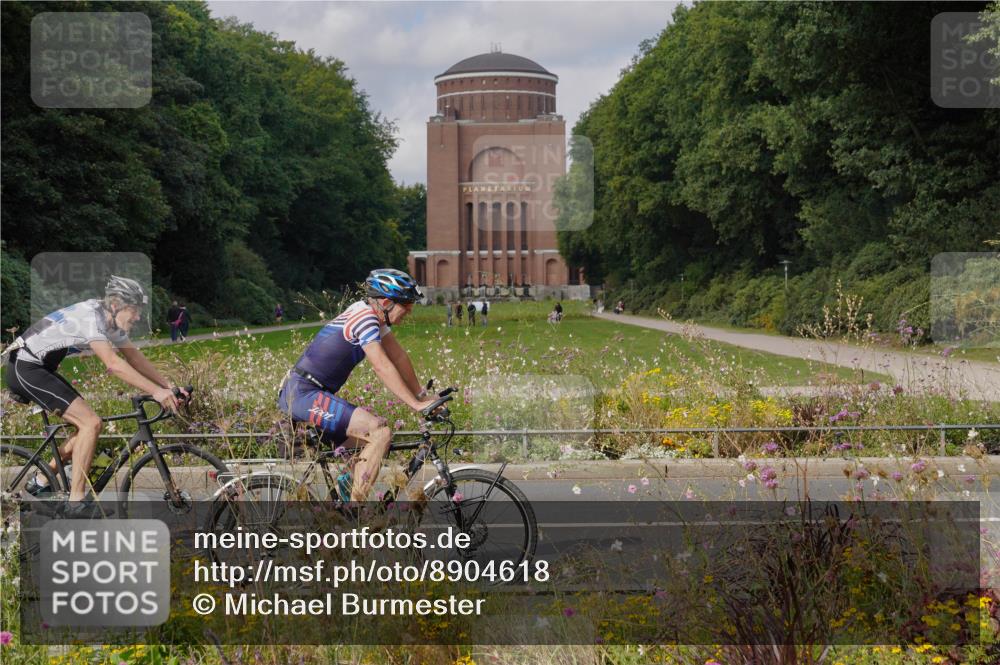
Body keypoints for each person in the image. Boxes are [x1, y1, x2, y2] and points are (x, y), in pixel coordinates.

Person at [4, 276, 184, 513]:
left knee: (87, 426)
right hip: (26, 367)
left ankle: (41, 481)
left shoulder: (109, 320)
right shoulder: (91, 318)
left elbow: (133, 357)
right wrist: (156, 392)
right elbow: (113, 363)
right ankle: (76, 502)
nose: (138, 317)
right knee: (91, 423)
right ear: (116, 304)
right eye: (134, 310)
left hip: (38, 368)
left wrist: (168, 386)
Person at [277, 269, 439, 504]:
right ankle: (357, 517)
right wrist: (415, 404)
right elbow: (382, 365)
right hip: (303, 393)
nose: (410, 311)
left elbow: (399, 358)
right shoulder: (364, 318)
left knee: (368, 448)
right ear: (385, 303)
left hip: (312, 392)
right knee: (379, 433)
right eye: (407, 305)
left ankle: (339, 514)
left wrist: (422, 396)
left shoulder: (373, 317)